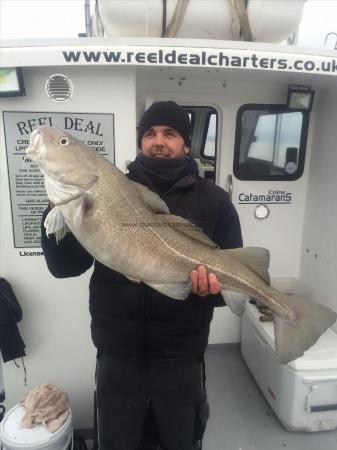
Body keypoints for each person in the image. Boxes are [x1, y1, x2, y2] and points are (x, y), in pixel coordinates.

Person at [41, 101, 242, 450]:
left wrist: (208, 290)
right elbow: (64, 267)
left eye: (170, 133)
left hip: (181, 357)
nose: (158, 141)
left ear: (187, 145)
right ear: (140, 143)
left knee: (180, 442)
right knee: (119, 443)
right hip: (117, 354)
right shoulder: (109, 187)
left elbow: (228, 290)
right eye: (149, 134)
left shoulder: (216, 202)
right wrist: (60, 207)